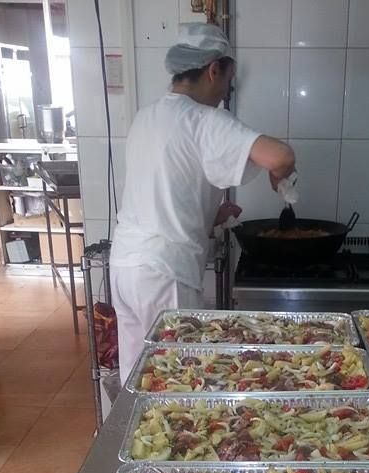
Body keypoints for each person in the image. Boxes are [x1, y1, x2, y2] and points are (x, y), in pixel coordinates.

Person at [109, 23, 296, 382]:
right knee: (178, 380)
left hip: (126, 268)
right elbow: (281, 156)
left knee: (139, 377)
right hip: (165, 276)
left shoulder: (146, 117)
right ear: (214, 69)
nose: (227, 91)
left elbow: (163, 191)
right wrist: (280, 174)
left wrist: (210, 215)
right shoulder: (202, 119)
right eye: (229, 80)